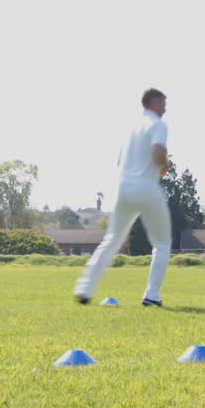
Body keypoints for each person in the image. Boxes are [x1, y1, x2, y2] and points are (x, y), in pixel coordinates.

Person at [74, 88, 173, 306]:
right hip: (146, 188)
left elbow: (119, 162)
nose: (165, 108)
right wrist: (164, 165)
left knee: (111, 240)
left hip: (123, 189)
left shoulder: (131, 128)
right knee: (162, 244)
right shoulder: (158, 124)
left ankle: (84, 288)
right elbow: (158, 152)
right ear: (153, 102)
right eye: (163, 103)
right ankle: (152, 295)